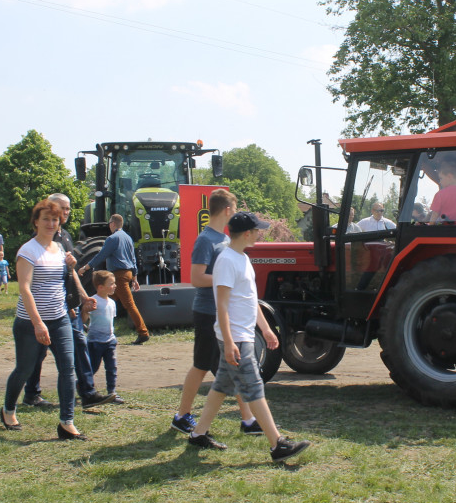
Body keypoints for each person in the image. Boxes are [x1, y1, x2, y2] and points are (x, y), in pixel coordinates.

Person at [186, 211, 311, 463]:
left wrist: (265, 329)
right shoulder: (226, 261)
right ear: (246, 233)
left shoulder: (243, 258)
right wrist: (230, 341)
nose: (259, 233)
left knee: (221, 385)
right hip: (235, 337)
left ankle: (198, 434)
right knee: (254, 388)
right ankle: (278, 444)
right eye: (257, 230)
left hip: (243, 334)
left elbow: (250, 299)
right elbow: (221, 305)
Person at [171, 189, 259, 435]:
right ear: (228, 210)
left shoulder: (222, 239)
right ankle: (182, 416)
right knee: (201, 365)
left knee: (232, 367)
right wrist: (226, 279)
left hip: (221, 313)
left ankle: (249, 420)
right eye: (235, 209)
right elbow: (196, 278)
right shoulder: (206, 239)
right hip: (208, 312)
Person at [1, 199, 86, 440]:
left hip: (59, 319)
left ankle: (67, 422)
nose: (51, 223)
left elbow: (59, 283)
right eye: (46, 219)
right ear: (36, 221)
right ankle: (8, 409)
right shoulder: (28, 251)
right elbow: (25, 289)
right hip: (30, 323)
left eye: (55, 219)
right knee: (25, 369)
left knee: (68, 369)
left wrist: (71, 269)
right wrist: (38, 323)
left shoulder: (59, 250)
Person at [22, 193, 113, 411]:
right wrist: (68, 304)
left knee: (76, 347)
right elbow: (42, 281)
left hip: (66, 306)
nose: (65, 213)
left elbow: (70, 273)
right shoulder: (45, 239)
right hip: (52, 308)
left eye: (68, 209)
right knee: (40, 353)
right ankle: (32, 394)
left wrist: (82, 297)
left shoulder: (65, 237)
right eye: (61, 208)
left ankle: (84, 393)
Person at [78, 214, 150, 345]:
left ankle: (143, 332)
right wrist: (134, 277)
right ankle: (89, 325)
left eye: (109, 224)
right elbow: (133, 259)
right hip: (127, 273)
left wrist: (86, 267)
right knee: (106, 300)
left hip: (118, 276)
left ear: (112, 224)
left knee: (129, 304)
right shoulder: (128, 238)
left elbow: (101, 255)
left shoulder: (112, 238)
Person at [84, 271, 124, 404]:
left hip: (110, 341)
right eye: (111, 284)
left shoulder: (112, 303)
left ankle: (111, 392)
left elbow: (111, 321)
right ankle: (82, 385)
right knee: (93, 367)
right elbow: (84, 319)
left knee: (112, 367)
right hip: (95, 341)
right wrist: (85, 310)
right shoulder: (93, 300)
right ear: (100, 287)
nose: (115, 286)